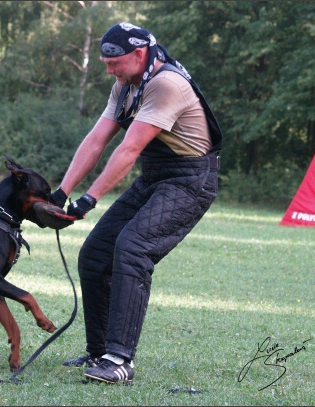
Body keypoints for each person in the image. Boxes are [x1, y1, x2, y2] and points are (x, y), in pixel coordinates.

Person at [49, 22, 222, 384]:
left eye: (115, 63)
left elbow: (129, 149)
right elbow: (97, 140)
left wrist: (89, 199)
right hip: (156, 178)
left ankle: (120, 360)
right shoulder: (125, 85)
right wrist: (62, 192)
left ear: (139, 55)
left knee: (132, 248)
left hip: (190, 180)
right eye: (105, 63)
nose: (109, 70)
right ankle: (99, 354)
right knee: (96, 254)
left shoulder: (166, 84)